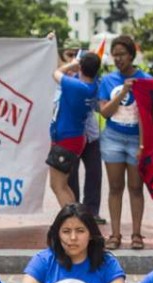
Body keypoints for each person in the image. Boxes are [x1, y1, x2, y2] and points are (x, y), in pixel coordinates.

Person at [98, 35, 151, 250]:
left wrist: (142, 145)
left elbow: (149, 117)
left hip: (136, 140)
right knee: (115, 187)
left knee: (136, 188)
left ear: (131, 55)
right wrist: (124, 92)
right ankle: (115, 234)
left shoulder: (145, 79)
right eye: (115, 55)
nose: (118, 59)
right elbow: (104, 112)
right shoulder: (108, 81)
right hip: (113, 138)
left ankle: (137, 234)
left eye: (122, 54)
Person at [48, 50, 101, 208]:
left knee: (58, 186)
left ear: (81, 67)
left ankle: (72, 221)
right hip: (74, 137)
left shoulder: (76, 86)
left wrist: (73, 64)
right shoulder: (92, 86)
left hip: (66, 138)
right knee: (63, 186)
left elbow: (55, 73)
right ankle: (77, 217)